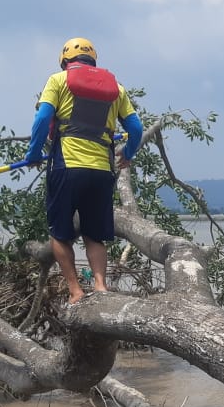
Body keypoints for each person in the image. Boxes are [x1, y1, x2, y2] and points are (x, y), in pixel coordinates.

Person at [24, 37, 144, 304]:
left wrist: (33, 154)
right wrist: (128, 153)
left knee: (59, 233)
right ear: (94, 60)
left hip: (67, 167)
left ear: (65, 61)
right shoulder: (118, 89)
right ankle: (100, 287)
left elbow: (43, 119)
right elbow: (136, 129)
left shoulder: (58, 80)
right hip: (102, 171)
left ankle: (76, 291)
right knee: (94, 234)